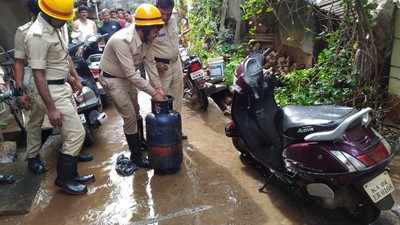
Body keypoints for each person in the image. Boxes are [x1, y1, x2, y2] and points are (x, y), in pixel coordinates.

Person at [25, 0, 94, 195]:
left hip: (61, 85)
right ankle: (64, 179)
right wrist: (51, 108)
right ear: (48, 13)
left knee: (69, 134)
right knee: (76, 133)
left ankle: (71, 175)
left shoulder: (56, 25)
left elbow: (63, 57)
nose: (64, 23)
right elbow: (38, 75)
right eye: (61, 19)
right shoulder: (37, 35)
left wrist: (74, 78)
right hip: (50, 91)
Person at [99, 3, 165, 168]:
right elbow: (132, 74)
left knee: (136, 112)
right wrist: (152, 93)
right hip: (112, 78)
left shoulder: (147, 39)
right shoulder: (121, 41)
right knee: (129, 116)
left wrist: (159, 89)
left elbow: (150, 64)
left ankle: (140, 143)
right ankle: (136, 157)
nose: (157, 34)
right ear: (144, 29)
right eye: (155, 30)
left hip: (127, 78)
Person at [152, 0, 186, 139]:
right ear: (156, 8)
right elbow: (142, 49)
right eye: (162, 13)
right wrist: (155, 63)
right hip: (161, 68)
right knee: (161, 100)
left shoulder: (173, 19)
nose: (165, 16)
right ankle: (161, 134)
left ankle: (176, 130)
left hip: (176, 63)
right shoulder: (150, 22)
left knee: (177, 99)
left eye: (169, 12)